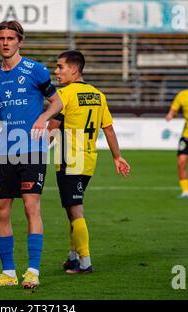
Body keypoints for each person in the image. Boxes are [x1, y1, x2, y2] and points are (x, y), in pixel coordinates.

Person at [0, 20, 63, 289]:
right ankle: (8, 274)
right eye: (1, 38)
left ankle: (33, 271)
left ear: (19, 41)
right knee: (0, 210)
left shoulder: (35, 70)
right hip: (5, 151)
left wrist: (44, 118)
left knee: (30, 206)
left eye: (11, 38)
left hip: (33, 149)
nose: (5, 43)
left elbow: (57, 101)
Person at [47, 50, 130, 273]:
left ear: (74, 69)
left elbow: (51, 131)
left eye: (60, 67)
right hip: (88, 161)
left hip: (68, 160)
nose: (56, 71)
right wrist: (117, 156)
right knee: (71, 209)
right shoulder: (98, 95)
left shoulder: (65, 95)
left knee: (75, 211)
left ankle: (85, 262)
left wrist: (31, 147)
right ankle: (73, 256)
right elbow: (109, 129)